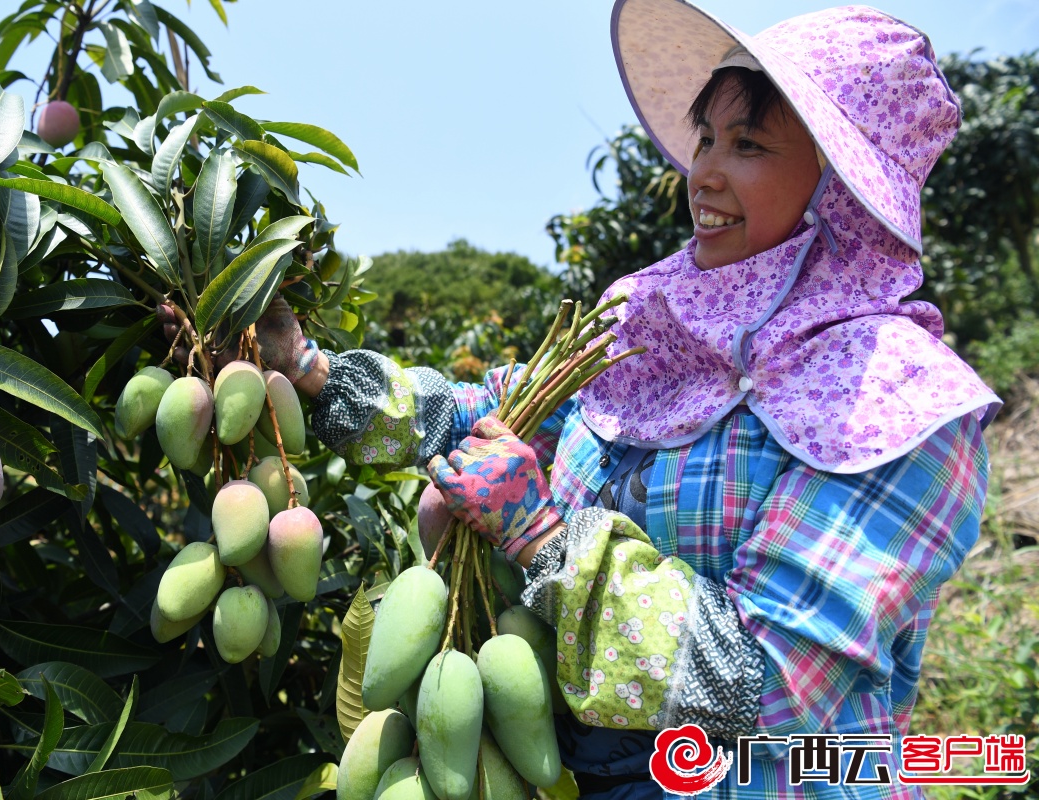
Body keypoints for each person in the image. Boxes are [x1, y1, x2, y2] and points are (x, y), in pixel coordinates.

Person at [256, 1, 1002, 796]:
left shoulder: (895, 402)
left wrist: (544, 541)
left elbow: (770, 683)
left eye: (748, 144)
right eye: (706, 137)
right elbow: (483, 420)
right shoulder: (647, 324)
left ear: (839, 189)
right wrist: (306, 368)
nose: (703, 172)